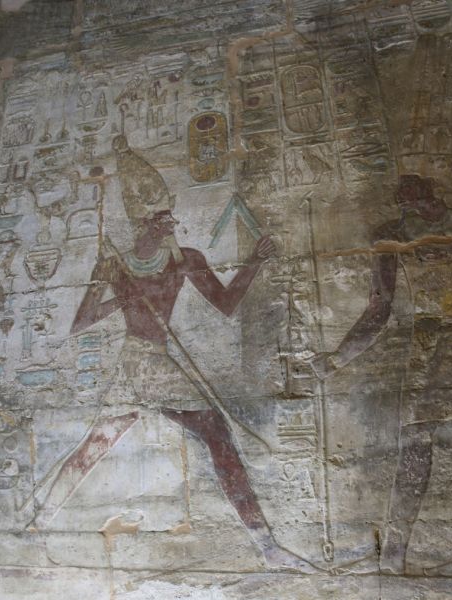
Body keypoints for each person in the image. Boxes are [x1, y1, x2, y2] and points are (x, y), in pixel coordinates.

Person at [31, 134, 315, 573]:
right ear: (143, 221)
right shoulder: (114, 263)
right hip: (139, 361)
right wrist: (123, 299)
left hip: (152, 360)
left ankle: (37, 523)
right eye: (162, 219)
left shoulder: (186, 258)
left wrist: (254, 263)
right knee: (127, 440)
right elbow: (81, 322)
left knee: (104, 441)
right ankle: (267, 547)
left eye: (170, 217)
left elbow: (225, 303)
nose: (171, 225)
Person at [312, 172, 452, 576]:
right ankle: (396, 553)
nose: (413, 208)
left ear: (435, 193)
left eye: (419, 199)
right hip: (429, 348)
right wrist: (337, 359)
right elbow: (379, 310)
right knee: (422, 448)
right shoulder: (392, 235)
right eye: (406, 203)